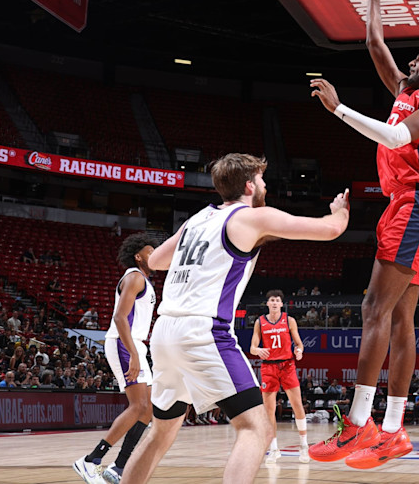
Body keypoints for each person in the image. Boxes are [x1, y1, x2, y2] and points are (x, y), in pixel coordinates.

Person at [307, 0, 419, 471]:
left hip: (415, 206)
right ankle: (394, 432)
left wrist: (339, 110)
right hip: (404, 207)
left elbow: (398, 137)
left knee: (373, 310)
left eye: (418, 58)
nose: (410, 63)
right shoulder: (406, 90)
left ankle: (359, 424)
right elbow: (374, 42)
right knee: (398, 319)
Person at [120, 153, 349, 484]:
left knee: (160, 432)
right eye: (262, 179)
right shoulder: (251, 217)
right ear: (249, 184)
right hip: (203, 331)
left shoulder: (196, 220)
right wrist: (339, 213)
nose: (265, 185)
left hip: (165, 331)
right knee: (257, 428)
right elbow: (329, 232)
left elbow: (155, 261)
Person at [73, 233, 158, 484]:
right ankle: (91, 461)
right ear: (138, 256)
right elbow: (120, 318)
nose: (154, 256)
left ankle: (119, 468)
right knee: (138, 406)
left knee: (148, 408)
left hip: (134, 344)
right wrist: (133, 353)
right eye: (150, 252)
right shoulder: (134, 277)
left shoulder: (143, 279)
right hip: (124, 343)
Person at [250, 289, 310, 465]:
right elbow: (253, 347)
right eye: (272, 300)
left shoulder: (289, 320)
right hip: (268, 367)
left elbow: (299, 343)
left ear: (282, 304)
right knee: (269, 410)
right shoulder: (260, 322)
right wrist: (258, 350)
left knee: (297, 404)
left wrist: (299, 351)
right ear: (267, 304)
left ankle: (304, 446)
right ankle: (274, 449)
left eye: (277, 300)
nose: (275, 303)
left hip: (287, 365)